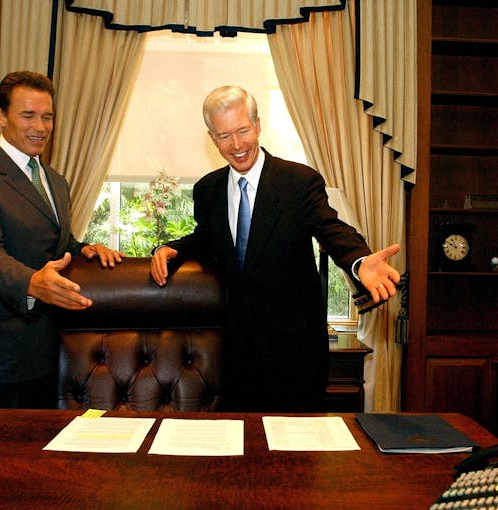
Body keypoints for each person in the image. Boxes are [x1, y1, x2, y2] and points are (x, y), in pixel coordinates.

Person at [150, 85, 401, 412]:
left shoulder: (299, 182)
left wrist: (359, 261)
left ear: (257, 125)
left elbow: (331, 228)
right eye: (225, 136)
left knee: (297, 460)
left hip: (295, 358)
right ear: (212, 138)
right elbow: (208, 237)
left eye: (242, 130)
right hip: (236, 360)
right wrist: (173, 249)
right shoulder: (207, 190)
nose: (237, 145)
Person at [0, 71, 124, 409]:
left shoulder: (56, 181)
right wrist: (31, 282)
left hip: (49, 351)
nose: (40, 127)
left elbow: (56, 240)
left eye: (47, 117)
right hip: (2, 357)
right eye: (28, 115)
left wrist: (84, 249)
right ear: (1, 117)